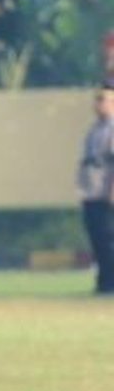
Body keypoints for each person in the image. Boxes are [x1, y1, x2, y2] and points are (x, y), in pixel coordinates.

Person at [78, 80, 114, 295]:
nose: (99, 104)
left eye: (104, 99)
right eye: (98, 99)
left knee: (109, 238)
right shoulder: (95, 129)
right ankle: (104, 281)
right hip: (92, 190)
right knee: (98, 238)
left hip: (106, 191)